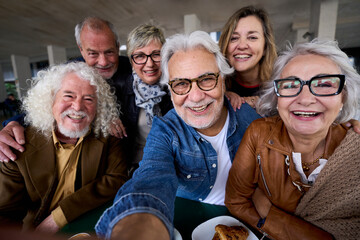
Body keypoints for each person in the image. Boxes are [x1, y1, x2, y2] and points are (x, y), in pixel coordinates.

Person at [94, 31, 261, 240]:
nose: (196, 96)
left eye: (207, 79)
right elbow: (151, 178)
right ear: (170, 90)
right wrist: (137, 225)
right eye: (181, 84)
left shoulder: (250, 119)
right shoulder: (165, 129)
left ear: (223, 81)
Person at [225, 39, 360, 240]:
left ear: (343, 96)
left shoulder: (355, 152)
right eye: (290, 85)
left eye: (323, 84)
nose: (305, 99)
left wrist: (268, 212)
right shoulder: (259, 133)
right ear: (277, 98)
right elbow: (236, 200)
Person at [0, 62, 128, 234]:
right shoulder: (18, 143)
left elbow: (117, 179)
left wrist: (58, 217)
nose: (77, 107)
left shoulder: (108, 136)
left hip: (91, 226)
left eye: (88, 99)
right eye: (68, 96)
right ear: (51, 99)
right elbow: (5, 212)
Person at [0, 16, 132, 162]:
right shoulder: (70, 73)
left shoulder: (134, 71)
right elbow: (42, 106)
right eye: (93, 53)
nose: (103, 62)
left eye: (109, 52)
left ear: (118, 46)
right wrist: (13, 123)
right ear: (81, 49)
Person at [116, 23, 173, 167]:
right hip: (136, 165)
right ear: (131, 61)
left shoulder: (177, 85)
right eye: (140, 56)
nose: (149, 64)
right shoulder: (119, 90)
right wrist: (107, 117)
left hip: (172, 161)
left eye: (156, 54)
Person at [218, 6, 277, 109]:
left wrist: (259, 101)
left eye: (252, 37)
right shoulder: (216, 84)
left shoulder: (279, 83)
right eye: (234, 38)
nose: (242, 45)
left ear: (265, 47)